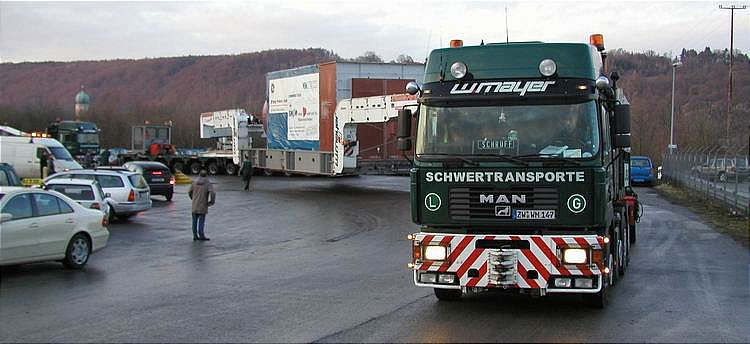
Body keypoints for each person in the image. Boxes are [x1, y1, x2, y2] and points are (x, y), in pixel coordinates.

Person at [188, 169, 216, 241]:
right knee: (201, 221)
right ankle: (201, 235)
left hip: (194, 205)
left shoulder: (194, 182)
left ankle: (195, 235)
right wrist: (211, 202)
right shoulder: (207, 183)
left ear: (199, 174)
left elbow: (189, 192)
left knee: (194, 221)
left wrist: (193, 198)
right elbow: (212, 193)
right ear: (206, 175)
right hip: (203, 205)